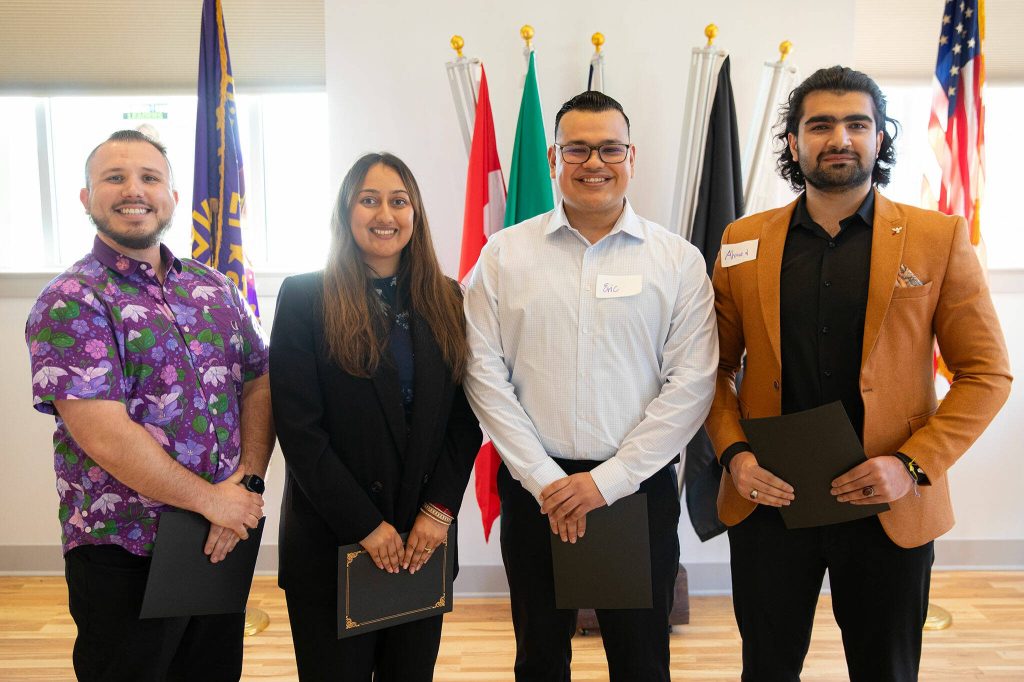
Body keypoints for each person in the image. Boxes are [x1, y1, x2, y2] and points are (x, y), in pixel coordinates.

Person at [705, 66, 1012, 681]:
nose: (839, 137)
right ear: (793, 142)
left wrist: (912, 465)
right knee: (765, 669)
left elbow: (987, 374)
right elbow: (710, 370)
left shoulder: (937, 238)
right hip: (770, 498)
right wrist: (735, 456)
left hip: (888, 502)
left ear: (879, 138)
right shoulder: (743, 241)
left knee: (886, 671)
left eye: (857, 124)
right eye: (820, 125)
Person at [463, 91, 718, 682]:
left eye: (609, 147)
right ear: (553, 158)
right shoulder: (503, 255)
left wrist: (607, 482)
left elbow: (692, 382)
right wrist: (548, 480)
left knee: (641, 660)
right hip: (536, 491)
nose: (594, 162)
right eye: (577, 148)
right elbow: (482, 372)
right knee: (539, 659)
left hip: (636, 489)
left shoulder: (677, 261)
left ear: (632, 156)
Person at [25, 129, 274, 682]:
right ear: (87, 198)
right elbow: (104, 434)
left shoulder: (215, 289)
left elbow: (259, 381)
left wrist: (246, 486)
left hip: (219, 537)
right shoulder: (71, 300)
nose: (133, 189)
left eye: (149, 177)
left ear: (173, 197)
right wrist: (213, 500)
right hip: (125, 547)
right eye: (114, 178)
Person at [270, 152, 482, 681]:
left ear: (416, 214)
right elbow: (300, 431)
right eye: (369, 200)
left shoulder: (447, 298)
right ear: (346, 212)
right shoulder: (303, 298)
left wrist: (438, 514)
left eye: (398, 200)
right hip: (333, 541)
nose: (384, 213)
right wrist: (365, 525)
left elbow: (464, 420)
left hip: (419, 543)